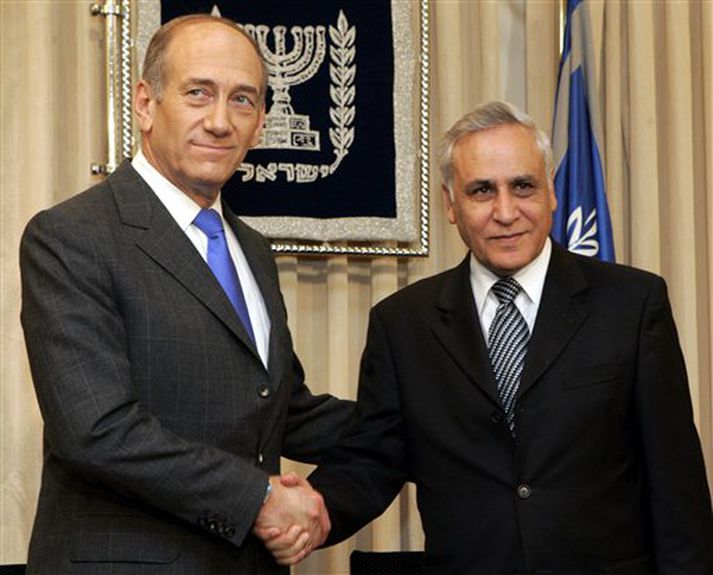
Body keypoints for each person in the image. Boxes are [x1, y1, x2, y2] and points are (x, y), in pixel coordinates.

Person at [269, 101, 713, 572]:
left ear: (551, 191)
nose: (506, 212)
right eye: (482, 190)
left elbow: (676, 482)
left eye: (523, 186)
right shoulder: (402, 324)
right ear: (450, 204)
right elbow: (372, 459)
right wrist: (312, 514)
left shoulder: (632, 304)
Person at [20, 14, 351, 574]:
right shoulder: (72, 236)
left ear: (260, 122)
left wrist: (423, 417)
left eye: (242, 100)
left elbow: (275, 407)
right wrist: (260, 498)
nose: (220, 121)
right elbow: (96, 431)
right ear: (146, 104)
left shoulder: (252, 250)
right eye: (198, 92)